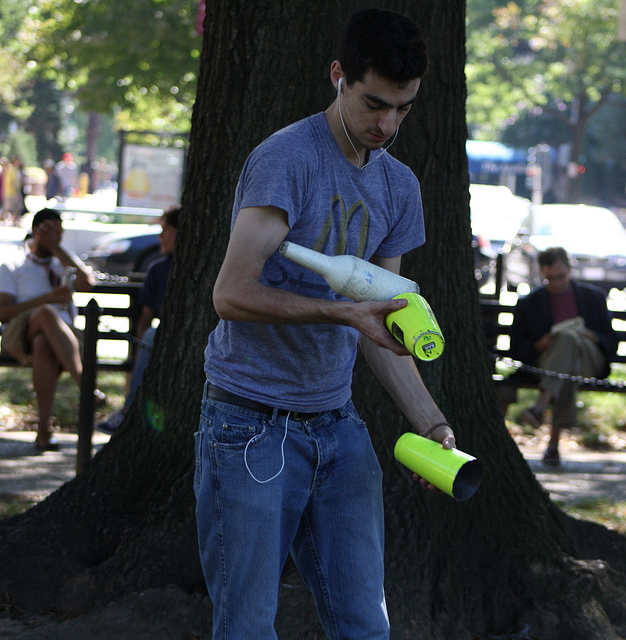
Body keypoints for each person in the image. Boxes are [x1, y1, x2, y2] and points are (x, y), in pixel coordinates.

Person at [194, 9, 456, 639]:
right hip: (249, 425)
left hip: (339, 430)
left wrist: (433, 425)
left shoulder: (399, 187)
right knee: (249, 627)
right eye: (374, 104)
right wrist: (343, 312)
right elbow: (230, 294)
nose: (387, 125)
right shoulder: (286, 160)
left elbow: (383, 327)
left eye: (403, 109)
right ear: (338, 76)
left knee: (365, 625)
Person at [0, 208, 104, 451]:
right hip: (18, 334)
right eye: (50, 231)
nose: (57, 236)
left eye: (60, 232)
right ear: (36, 230)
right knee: (45, 312)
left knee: (44, 343)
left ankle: (43, 430)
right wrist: (47, 298)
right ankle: (85, 385)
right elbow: (3, 312)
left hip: (63, 338)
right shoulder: (13, 264)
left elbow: (88, 285)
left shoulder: (63, 261)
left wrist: (56, 248)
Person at [509, 247, 618, 465]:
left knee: (568, 340)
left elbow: (611, 342)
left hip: (590, 359)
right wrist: (540, 343)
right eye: (550, 278)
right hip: (549, 363)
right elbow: (517, 349)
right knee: (566, 367)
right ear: (541, 272)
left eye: (561, 277)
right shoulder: (530, 302)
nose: (556, 283)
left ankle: (540, 407)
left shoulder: (593, 298)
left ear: (569, 269)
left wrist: (590, 335)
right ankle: (552, 446)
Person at [96, 205, 180, 435]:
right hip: (161, 339)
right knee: (151, 335)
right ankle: (128, 411)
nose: (161, 236)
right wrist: (136, 353)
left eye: (166, 229)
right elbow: (145, 317)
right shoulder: (158, 270)